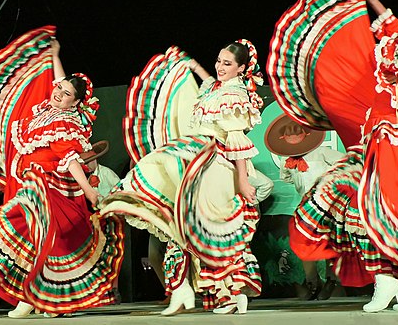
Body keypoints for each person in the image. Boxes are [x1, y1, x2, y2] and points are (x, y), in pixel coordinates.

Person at [269, 0, 398, 313]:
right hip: (376, 144)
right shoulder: (394, 51)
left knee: (389, 214)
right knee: (368, 211)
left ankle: (397, 284)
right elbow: (392, 26)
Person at [0, 28, 124, 318]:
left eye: (67, 94)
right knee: (33, 240)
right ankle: (44, 299)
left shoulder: (66, 122)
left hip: (50, 188)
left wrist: (89, 191)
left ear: (76, 103)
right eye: (58, 90)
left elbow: (72, 160)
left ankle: (34, 298)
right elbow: (59, 80)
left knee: (44, 241)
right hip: (31, 185)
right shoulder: (45, 111)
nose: (59, 94)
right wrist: (55, 55)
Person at [101, 41, 271, 315]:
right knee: (183, 222)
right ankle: (185, 290)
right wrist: (194, 66)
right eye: (219, 60)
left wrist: (242, 180)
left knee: (210, 228)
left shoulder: (236, 96)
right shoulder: (217, 89)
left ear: (242, 68)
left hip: (217, 163)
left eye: (227, 64)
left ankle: (231, 292)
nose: (220, 67)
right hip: (199, 158)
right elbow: (209, 84)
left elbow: (237, 141)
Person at [264, 116, 344, 299]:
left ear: (306, 133)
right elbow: (286, 177)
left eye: (296, 130)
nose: (293, 134)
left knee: (330, 242)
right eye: (288, 131)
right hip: (306, 205)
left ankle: (332, 280)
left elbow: (345, 163)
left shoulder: (322, 152)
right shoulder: (289, 160)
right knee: (304, 243)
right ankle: (312, 282)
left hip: (327, 204)